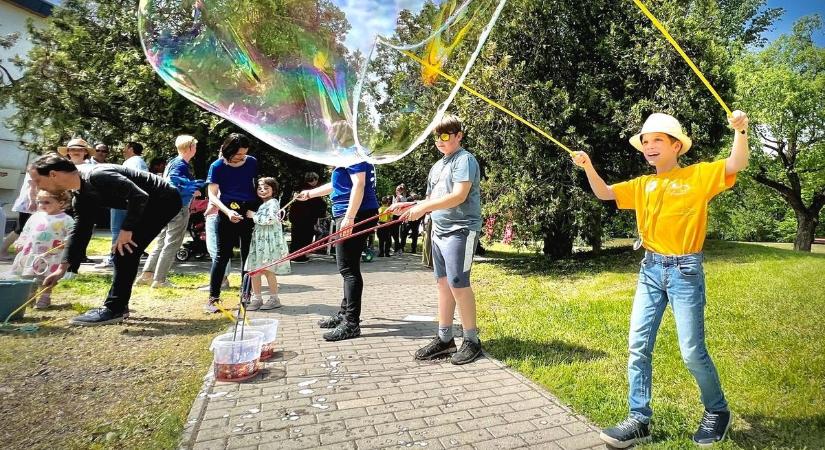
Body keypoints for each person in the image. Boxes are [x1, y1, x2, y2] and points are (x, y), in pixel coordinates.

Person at [572, 111, 750, 447]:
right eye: (645, 141)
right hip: (651, 271)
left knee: (692, 352)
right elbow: (605, 193)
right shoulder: (643, 185)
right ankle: (639, 419)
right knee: (638, 347)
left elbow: (736, 162)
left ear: (676, 146)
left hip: (685, 271)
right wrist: (588, 166)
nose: (649, 146)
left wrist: (740, 131)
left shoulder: (698, 176)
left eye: (657, 140)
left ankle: (717, 410)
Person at [34, 154, 182, 325]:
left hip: (164, 200)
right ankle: (118, 307)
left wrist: (126, 229)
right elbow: (81, 230)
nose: (39, 186)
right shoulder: (80, 196)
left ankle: (115, 308)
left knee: (124, 251)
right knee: (125, 252)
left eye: (39, 180)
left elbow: (139, 196)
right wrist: (63, 268)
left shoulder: (97, 175)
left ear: (53, 175)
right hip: (148, 203)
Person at [390, 113, 483, 365]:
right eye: (436, 137)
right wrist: (412, 204)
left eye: (445, 136)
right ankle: (444, 339)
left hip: (461, 230)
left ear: (458, 136)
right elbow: (432, 199)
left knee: (458, 284)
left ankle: (472, 341)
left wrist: (423, 209)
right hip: (439, 231)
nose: (440, 141)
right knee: (443, 284)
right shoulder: (437, 166)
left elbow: (459, 196)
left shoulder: (465, 160)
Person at [297, 120, 379, 341]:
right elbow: (339, 185)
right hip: (353, 213)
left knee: (348, 269)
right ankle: (345, 315)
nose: (328, 137)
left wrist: (350, 218)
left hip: (356, 214)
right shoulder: (346, 155)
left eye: (330, 133)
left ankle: (351, 323)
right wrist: (310, 193)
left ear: (339, 134)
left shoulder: (352, 153)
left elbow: (359, 185)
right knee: (348, 268)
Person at [204, 133, 259, 313]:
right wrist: (227, 212)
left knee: (248, 256)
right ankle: (213, 299)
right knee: (222, 256)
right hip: (226, 211)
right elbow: (212, 194)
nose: (241, 157)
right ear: (228, 150)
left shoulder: (252, 162)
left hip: (248, 211)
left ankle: (246, 296)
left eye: (244, 154)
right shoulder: (217, 166)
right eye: (238, 154)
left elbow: (255, 186)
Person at [136, 135, 199, 288]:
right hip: (178, 208)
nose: (196, 149)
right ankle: (160, 280)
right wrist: (192, 191)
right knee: (172, 243)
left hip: (167, 207)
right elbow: (174, 186)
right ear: (189, 147)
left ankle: (147, 275)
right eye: (195, 146)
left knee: (162, 241)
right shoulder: (180, 165)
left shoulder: (173, 162)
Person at [8, 190, 74, 309]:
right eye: (40, 202)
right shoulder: (35, 217)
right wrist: (20, 241)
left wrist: (66, 242)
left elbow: (73, 234)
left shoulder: (66, 219)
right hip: (32, 253)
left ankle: (45, 297)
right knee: (29, 276)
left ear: (61, 203)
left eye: (47, 202)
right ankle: (30, 297)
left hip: (52, 255)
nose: (42, 205)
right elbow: (26, 231)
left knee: (46, 277)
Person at [97, 142, 148, 269]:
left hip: (124, 200)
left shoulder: (133, 161)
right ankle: (122, 257)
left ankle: (114, 258)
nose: (123, 150)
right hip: (130, 200)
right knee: (126, 230)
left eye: (125, 147)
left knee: (117, 229)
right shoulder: (140, 161)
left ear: (131, 149)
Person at [245, 177, 290, 310]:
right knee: (254, 271)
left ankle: (274, 298)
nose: (263, 190)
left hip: (268, 243)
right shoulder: (263, 204)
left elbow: (270, 219)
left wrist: (254, 216)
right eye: (260, 188)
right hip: (258, 242)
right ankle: (257, 298)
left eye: (266, 188)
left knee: (268, 270)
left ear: (273, 190)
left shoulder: (273, 202)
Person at [0, 166, 38, 261]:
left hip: (29, 202)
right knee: (21, 228)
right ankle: (2, 250)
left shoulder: (37, 166)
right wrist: (32, 201)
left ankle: (3, 250)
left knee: (23, 228)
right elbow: (32, 186)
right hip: (29, 203)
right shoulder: (36, 168)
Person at [288, 171, 326, 262]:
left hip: (296, 217)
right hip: (307, 218)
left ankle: (293, 255)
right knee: (305, 237)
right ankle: (300, 256)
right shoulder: (312, 191)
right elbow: (320, 205)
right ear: (315, 179)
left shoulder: (298, 189)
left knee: (296, 236)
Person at [391, 183, 408, 254]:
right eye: (396, 189)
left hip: (400, 216)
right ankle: (397, 247)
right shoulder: (395, 197)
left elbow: (404, 206)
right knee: (394, 232)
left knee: (400, 232)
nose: (396, 191)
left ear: (401, 190)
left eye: (398, 190)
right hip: (394, 215)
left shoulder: (402, 198)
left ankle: (399, 248)